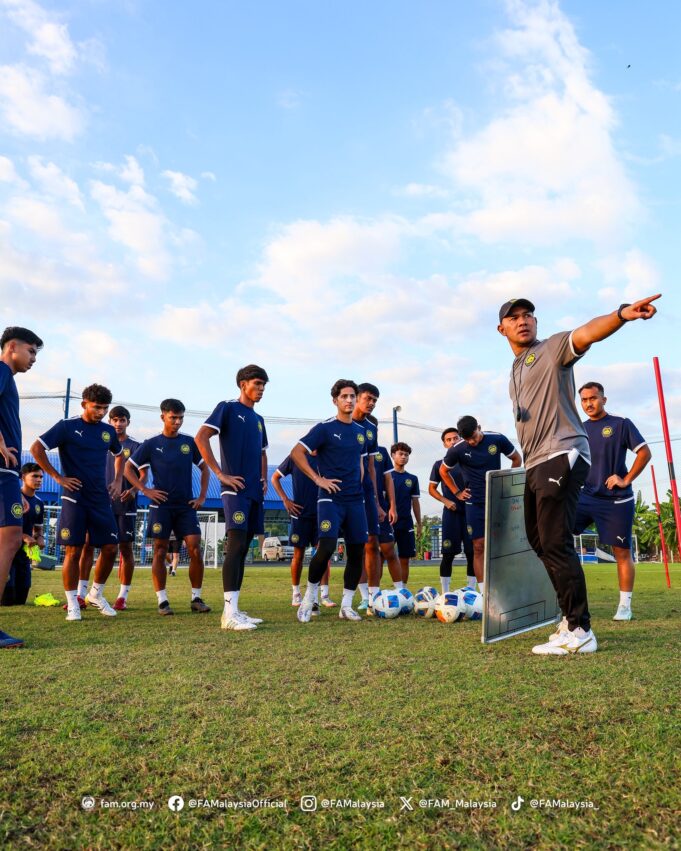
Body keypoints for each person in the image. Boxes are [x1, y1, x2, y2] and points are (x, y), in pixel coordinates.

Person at [497, 293, 660, 655]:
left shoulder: (552, 348)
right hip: (537, 460)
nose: (523, 320)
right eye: (514, 317)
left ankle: (581, 629)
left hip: (563, 452)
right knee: (539, 541)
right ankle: (568, 620)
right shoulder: (515, 370)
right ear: (502, 328)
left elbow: (587, 333)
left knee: (555, 541)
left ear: (536, 323)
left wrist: (622, 314)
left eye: (528, 315)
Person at [31, 384, 124, 621]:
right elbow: (36, 448)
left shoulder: (108, 432)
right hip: (74, 498)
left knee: (111, 547)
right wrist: (57, 477)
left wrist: (117, 481)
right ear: (84, 404)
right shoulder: (67, 427)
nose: (101, 413)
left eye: (104, 408)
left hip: (100, 498)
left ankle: (95, 594)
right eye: (96, 407)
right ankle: (73, 602)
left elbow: (119, 455)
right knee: (73, 550)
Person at [195, 365, 269, 631]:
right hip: (234, 489)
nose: (261, 389)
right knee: (235, 546)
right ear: (242, 384)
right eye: (257, 383)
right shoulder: (227, 408)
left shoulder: (258, 419)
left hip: (253, 492)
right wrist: (220, 474)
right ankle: (228, 614)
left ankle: (235, 609)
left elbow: (262, 453)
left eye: (264, 385)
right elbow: (201, 437)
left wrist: (262, 479)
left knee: (244, 549)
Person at [291, 379, 369, 623]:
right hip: (329, 499)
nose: (349, 400)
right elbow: (297, 452)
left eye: (352, 396)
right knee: (326, 547)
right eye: (344, 396)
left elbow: (360, 463)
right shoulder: (324, 428)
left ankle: (346, 605)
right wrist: (318, 479)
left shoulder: (360, 433)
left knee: (357, 552)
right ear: (335, 400)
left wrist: (359, 483)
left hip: (355, 500)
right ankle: (309, 599)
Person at [125, 399, 210, 616]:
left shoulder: (189, 443)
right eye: (173, 417)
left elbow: (205, 468)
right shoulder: (151, 444)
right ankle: (162, 601)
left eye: (181, 417)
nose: (178, 421)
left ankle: (196, 598)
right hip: (160, 506)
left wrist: (201, 496)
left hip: (185, 506)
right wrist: (145, 490)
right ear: (163, 416)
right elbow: (128, 468)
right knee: (160, 551)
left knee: (194, 549)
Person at [574, 382, 651, 621]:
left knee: (621, 551)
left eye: (593, 398)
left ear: (604, 400)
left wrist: (625, 479)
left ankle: (624, 606)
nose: (589, 403)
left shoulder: (620, 424)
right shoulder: (579, 429)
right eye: (584, 400)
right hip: (585, 497)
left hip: (615, 501)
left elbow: (644, 452)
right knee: (556, 538)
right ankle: (566, 600)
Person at [439, 417, 521, 596]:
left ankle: (504, 587)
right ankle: (484, 594)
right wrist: (457, 492)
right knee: (478, 546)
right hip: (474, 502)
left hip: (497, 500)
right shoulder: (457, 449)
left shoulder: (497, 439)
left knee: (501, 545)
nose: (472, 442)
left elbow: (516, 459)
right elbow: (443, 471)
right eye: (468, 439)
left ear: (479, 427)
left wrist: (505, 482)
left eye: (474, 437)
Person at [77, 405, 144, 611]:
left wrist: (133, 490)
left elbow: (143, 476)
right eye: (114, 420)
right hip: (98, 503)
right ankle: (80, 594)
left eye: (122, 420)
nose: (118, 423)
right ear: (109, 422)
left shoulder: (135, 446)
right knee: (88, 545)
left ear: (128, 422)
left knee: (125, 548)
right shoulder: (100, 442)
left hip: (124, 504)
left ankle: (122, 596)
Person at [0, 326, 42, 646]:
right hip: (3, 471)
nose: (33, 359)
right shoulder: (1, 370)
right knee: (10, 541)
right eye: (30, 351)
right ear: (12, 347)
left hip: (9, 478)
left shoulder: (7, 379)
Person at [352, 384, 398, 611]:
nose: (371, 403)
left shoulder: (371, 427)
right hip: (343, 493)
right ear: (356, 397)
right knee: (350, 547)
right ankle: (314, 598)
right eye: (368, 398)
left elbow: (370, 466)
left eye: (375, 401)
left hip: (366, 494)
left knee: (373, 544)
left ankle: (373, 597)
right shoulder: (340, 422)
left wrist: (377, 502)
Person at [271, 451, 335, 611]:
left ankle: (324, 595)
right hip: (300, 514)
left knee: (323, 554)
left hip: (322, 513)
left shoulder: (326, 457)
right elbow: (274, 478)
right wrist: (285, 500)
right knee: (298, 555)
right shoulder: (295, 457)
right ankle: (296, 594)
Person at [428, 428, 475, 594]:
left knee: (473, 553)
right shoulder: (439, 465)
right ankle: (445, 593)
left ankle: (472, 592)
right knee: (448, 555)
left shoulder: (470, 460)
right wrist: (445, 501)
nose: (453, 441)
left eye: (456, 438)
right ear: (444, 443)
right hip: (451, 514)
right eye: (449, 439)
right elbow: (432, 489)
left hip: (471, 513)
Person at [1, 463, 44, 606]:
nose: (39, 480)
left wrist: (40, 538)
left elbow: (38, 528)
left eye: (41, 477)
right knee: (7, 601)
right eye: (35, 476)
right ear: (23, 477)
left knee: (21, 599)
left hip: (24, 555)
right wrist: (24, 536)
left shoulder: (39, 503)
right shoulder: (11, 499)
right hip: (8, 553)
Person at [390, 442, 421, 585]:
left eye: (406, 455)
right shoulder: (387, 476)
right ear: (392, 455)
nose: (403, 457)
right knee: (380, 556)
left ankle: (402, 592)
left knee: (405, 558)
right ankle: (373, 594)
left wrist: (419, 523)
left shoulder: (412, 479)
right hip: (388, 522)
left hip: (406, 522)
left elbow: (415, 502)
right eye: (400, 454)